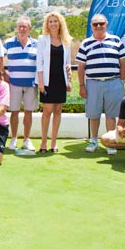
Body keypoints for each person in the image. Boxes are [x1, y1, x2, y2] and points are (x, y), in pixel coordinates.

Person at [76, 14, 125, 154]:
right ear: (91, 26)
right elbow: (81, 67)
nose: (98, 26)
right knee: (94, 114)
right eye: (95, 24)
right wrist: (82, 86)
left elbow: (123, 63)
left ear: (106, 24)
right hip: (93, 83)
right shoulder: (86, 43)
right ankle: (94, 140)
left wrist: (121, 81)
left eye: (101, 23)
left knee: (111, 115)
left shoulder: (116, 40)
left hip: (113, 82)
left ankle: (110, 142)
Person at [36, 12, 72, 153]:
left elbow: (68, 62)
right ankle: (43, 142)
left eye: (55, 21)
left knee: (58, 110)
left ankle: (53, 143)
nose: (53, 24)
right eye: (50, 21)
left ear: (60, 23)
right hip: (47, 81)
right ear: (47, 24)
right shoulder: (42, 39)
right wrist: (40, 82)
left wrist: (68, 79)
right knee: (47, 111)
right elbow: (39, 62)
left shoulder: (66, 40)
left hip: (60, 81)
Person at [3, 15, 38, 151]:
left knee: (28, 112)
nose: (22, 29)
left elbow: (42, 62)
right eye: (20, 26)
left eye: (24, 26)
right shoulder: (8, 43)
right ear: (17, 28)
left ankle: (26, 139)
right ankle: (14, 138)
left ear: (30, 28)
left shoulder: (37, 44)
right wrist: (3, 74)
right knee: (14, 112)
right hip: (14, 84)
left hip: (31, 84)